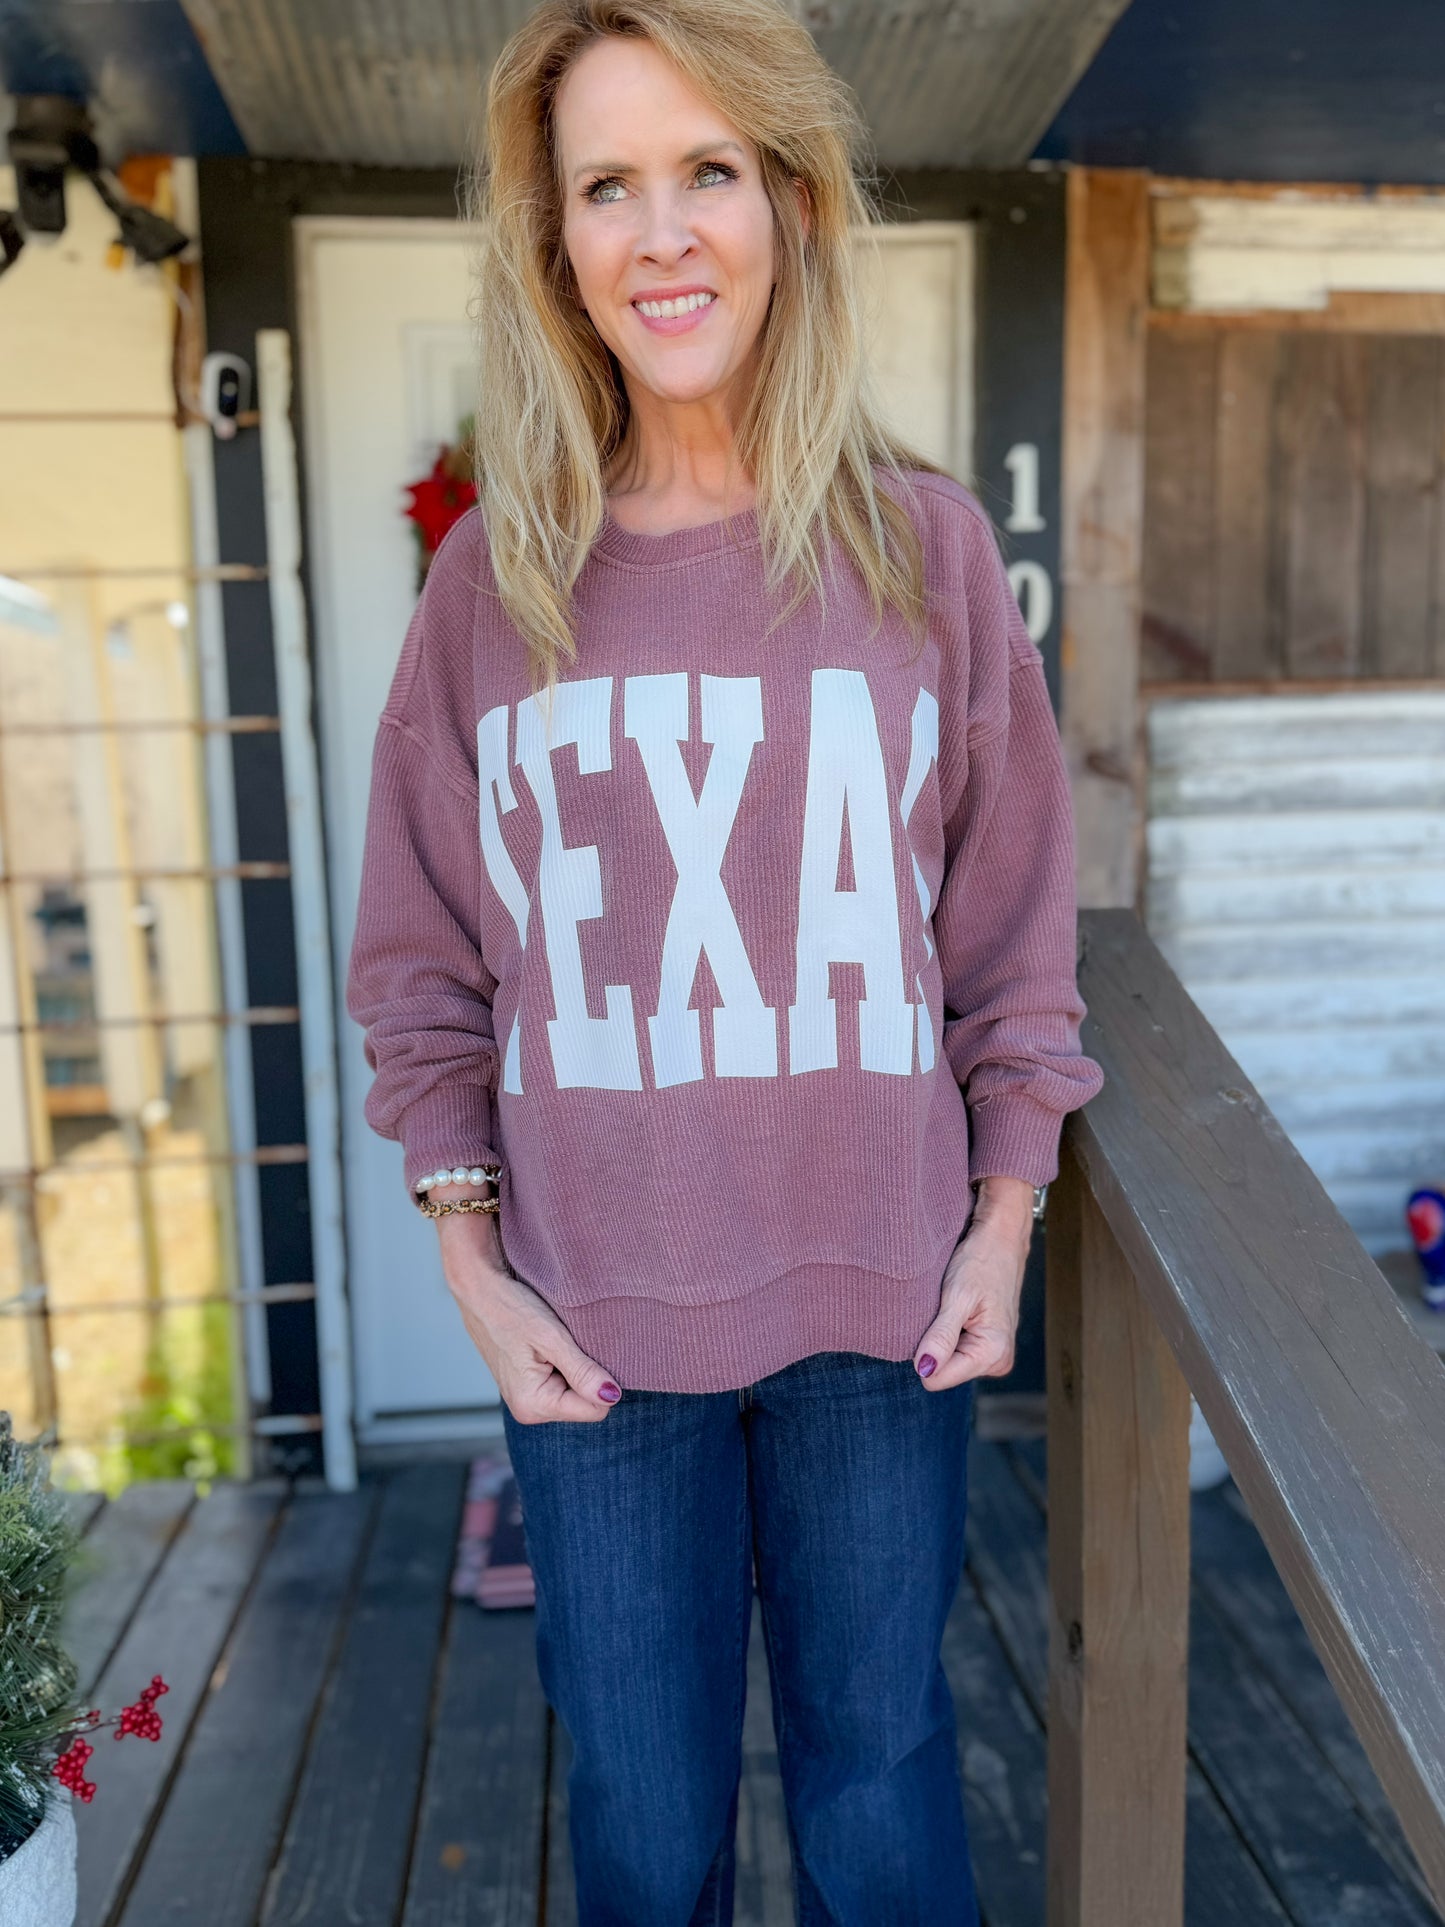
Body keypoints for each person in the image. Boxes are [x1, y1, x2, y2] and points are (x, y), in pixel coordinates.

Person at [345, 0, 1105, 1918]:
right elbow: (420, 960)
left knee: (881, 1792)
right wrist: (468, 1260)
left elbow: (1012, 936)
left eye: (708, 170)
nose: (662, 231)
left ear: (790, 202)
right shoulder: (493, 581)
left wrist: (1002, 1222)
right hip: (593, 1330)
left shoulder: (925, 556)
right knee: (641, 1816)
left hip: (885, 1313)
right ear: (557, 243)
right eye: (608, 185)